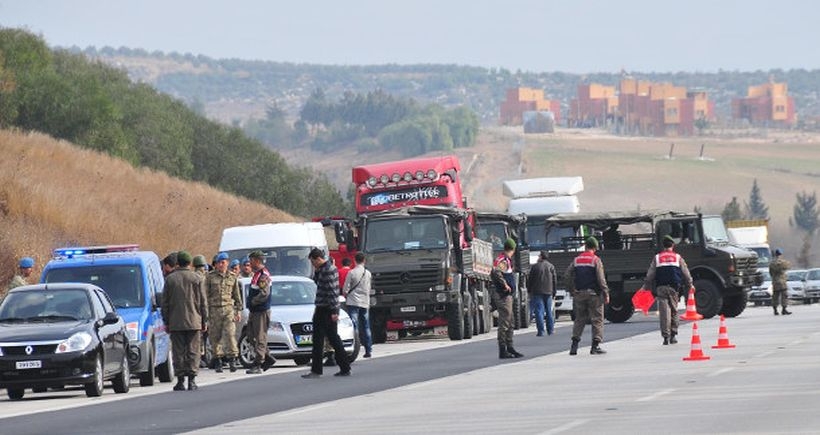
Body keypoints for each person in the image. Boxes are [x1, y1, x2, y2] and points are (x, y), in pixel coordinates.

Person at [161, 251, 208, 391]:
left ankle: (180, 380)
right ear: (189, 263)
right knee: (193, 350)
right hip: (194, 321)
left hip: (176, 322)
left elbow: (165, 304)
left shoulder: (170, 279)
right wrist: (205, 320)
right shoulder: (197, 278)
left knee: (178, 351)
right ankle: (192, 380)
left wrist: (166, 321)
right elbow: (203, 302)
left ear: (177, 263)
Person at [302, 248, 352, 378]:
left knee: (323, 339)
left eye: (313, 262)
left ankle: (317, 370)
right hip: (324, 307)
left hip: (326, 308)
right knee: (330, 338)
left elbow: (332, 292)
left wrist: (334, 310)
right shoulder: (326, 269)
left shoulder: (328, 270)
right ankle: (344, 367)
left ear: (318, 259)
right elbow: (316, 281)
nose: (313, 265)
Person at [641, 235, 693, 345]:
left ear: (663, 246)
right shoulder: (678, 257)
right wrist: (690, 284)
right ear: (673, 245)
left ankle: (665, 337)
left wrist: (645, 286)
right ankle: (673, 335)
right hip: (674, 288)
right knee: (674, 311)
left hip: (661, 288)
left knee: (664, 313)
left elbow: (650, 274)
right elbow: (686, 273)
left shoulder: (657, 258)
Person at [565, 237, 609, 355]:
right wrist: (605, 292)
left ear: (585, 246)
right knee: (597, 319)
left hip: (579, 294)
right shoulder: (595, 260)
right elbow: (601, 279)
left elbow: (567, 275)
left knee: (579, 319)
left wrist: (572, 290)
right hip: (594, 294)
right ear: (594, 248)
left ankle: (574, 346)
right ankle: (595, 346)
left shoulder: (577, 260)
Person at [204, 252, 243, 373]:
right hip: (214, 310)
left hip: (228, 309)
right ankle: (218, 360)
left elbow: (237, 295)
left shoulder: (232, 277)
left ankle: (232, 359)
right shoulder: (210, 277)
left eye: (224, 262)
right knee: (215, 336)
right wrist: (205, 313)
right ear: (216, 264)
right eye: (219, 263)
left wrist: (238, 311)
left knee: (230, 334)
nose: (221, 265)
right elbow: (205, 295)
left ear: (227, 263)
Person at [491, 238, 524, 359]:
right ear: (513, 249)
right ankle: (503, 349)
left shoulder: (506, 260)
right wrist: (505, 284)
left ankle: (510, 347)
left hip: (506, 295)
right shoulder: (503, 260)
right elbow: (497, 273)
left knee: (510, 321)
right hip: (503, 295)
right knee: (505, 321)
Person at [245, 250, 276, 374]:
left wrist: (253, 301)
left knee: (260, 337)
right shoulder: (256, 275)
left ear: (257, 260)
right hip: (255, 311)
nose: (250, 263)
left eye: (251, 260)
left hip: (261, 311)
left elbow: (264, 294)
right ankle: (267, 357)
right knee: (250, 335)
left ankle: (258, 363)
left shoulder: (263, 275)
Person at [342, 252, 373, 358]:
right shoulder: (368, 273)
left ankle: (355, 348)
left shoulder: (351, 272)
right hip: (364, 301)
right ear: (364, 260)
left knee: (354, 325)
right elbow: (368, 288)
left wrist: (346, 294)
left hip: (353, 301)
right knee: (366, 326)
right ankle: (368, 349)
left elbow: (345, 289)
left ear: (355, 260)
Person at [527, 250, 557, 336]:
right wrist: (554, 291)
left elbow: (530, 280)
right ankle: (550, 330)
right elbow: (554, 280)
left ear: (541, 257)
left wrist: (529, 290)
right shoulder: (551, 266)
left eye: (539, 256)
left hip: (537, 291)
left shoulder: (535, 267)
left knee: (539, 311)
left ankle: (541, 331)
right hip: (548, 291)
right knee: (548, 311)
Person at [769, 248, 791, 315]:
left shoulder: (771, 263)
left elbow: (770, 273)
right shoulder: (783, 262)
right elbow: (788, 266)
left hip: (775, 281)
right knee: (784, 296)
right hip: (782, 281)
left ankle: (775, 310)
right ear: (780, 254)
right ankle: (784, 310)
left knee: (775, 296)